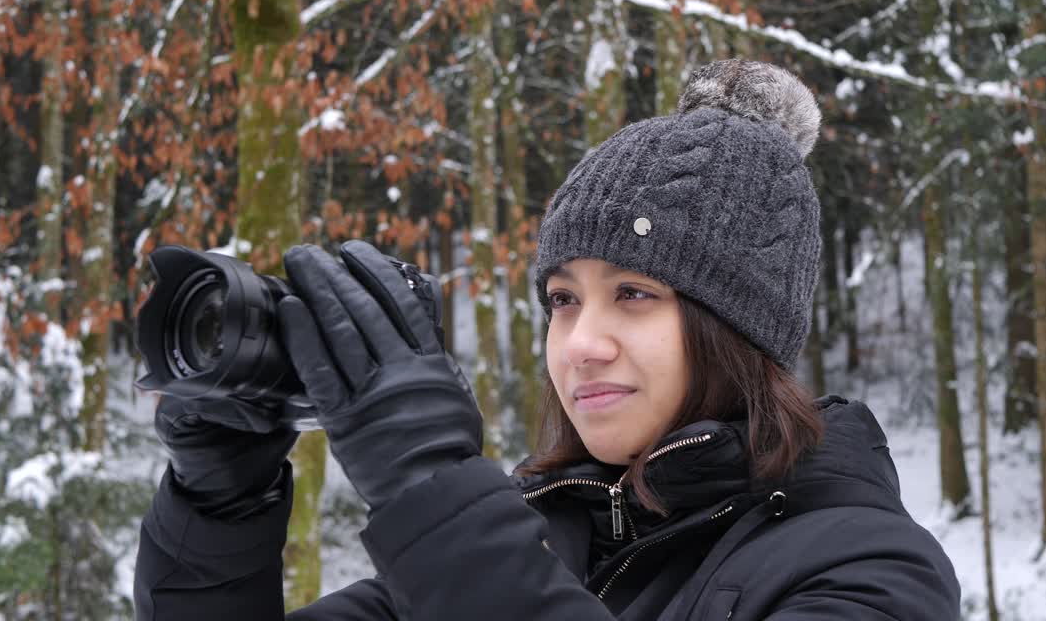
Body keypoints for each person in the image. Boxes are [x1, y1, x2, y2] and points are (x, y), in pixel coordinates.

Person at [134, 59, 960, 620]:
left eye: (633, 294)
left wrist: (431, 486)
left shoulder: (872, 573)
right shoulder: (536, 540)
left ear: (738, 329)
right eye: (563, 300)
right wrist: (219, 507)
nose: (580, 344)